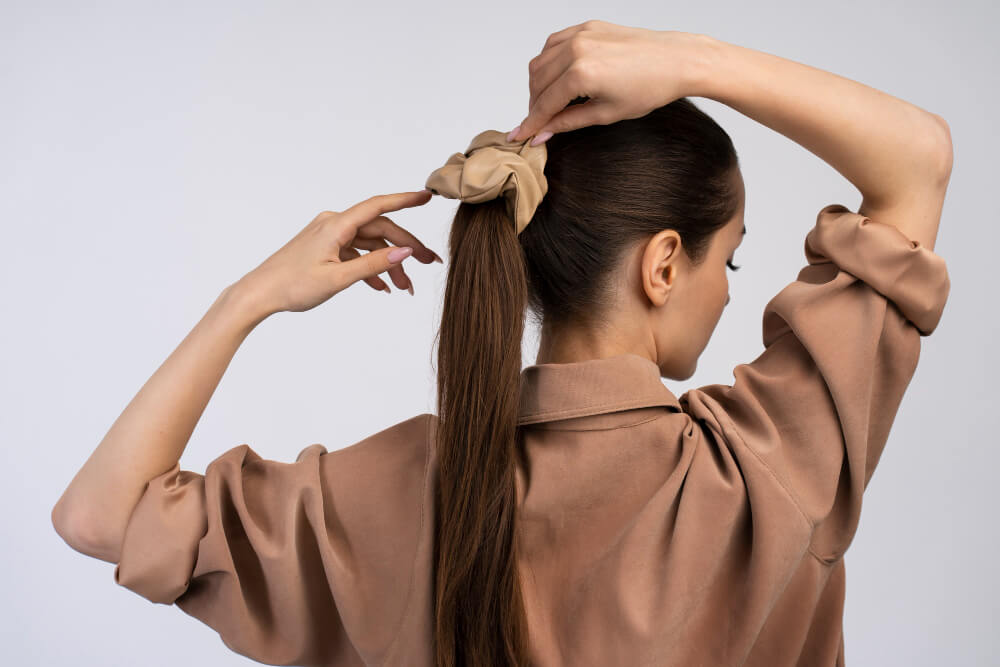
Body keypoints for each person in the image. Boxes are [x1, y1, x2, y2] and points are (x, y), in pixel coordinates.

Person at [51, 19, 952, 667]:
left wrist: (248, 298)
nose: (727, 292)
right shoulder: (768, 469)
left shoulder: (388, 497)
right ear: (664, 264)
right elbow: (917, 156)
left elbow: (97, 516)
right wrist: (694, 62)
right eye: (733, 260)